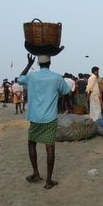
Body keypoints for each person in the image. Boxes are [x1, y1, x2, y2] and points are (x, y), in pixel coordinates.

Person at [18, 54, 71, 189]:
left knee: (31, 143)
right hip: (50, 118)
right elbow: (66, 92)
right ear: (50, 62)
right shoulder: (56, 77)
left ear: (38, 63)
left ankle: (36, 173)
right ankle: (48, 181)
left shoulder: (31, 76)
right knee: (50, 147)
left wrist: (29, 64)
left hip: (34, 117)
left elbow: (19, 79)